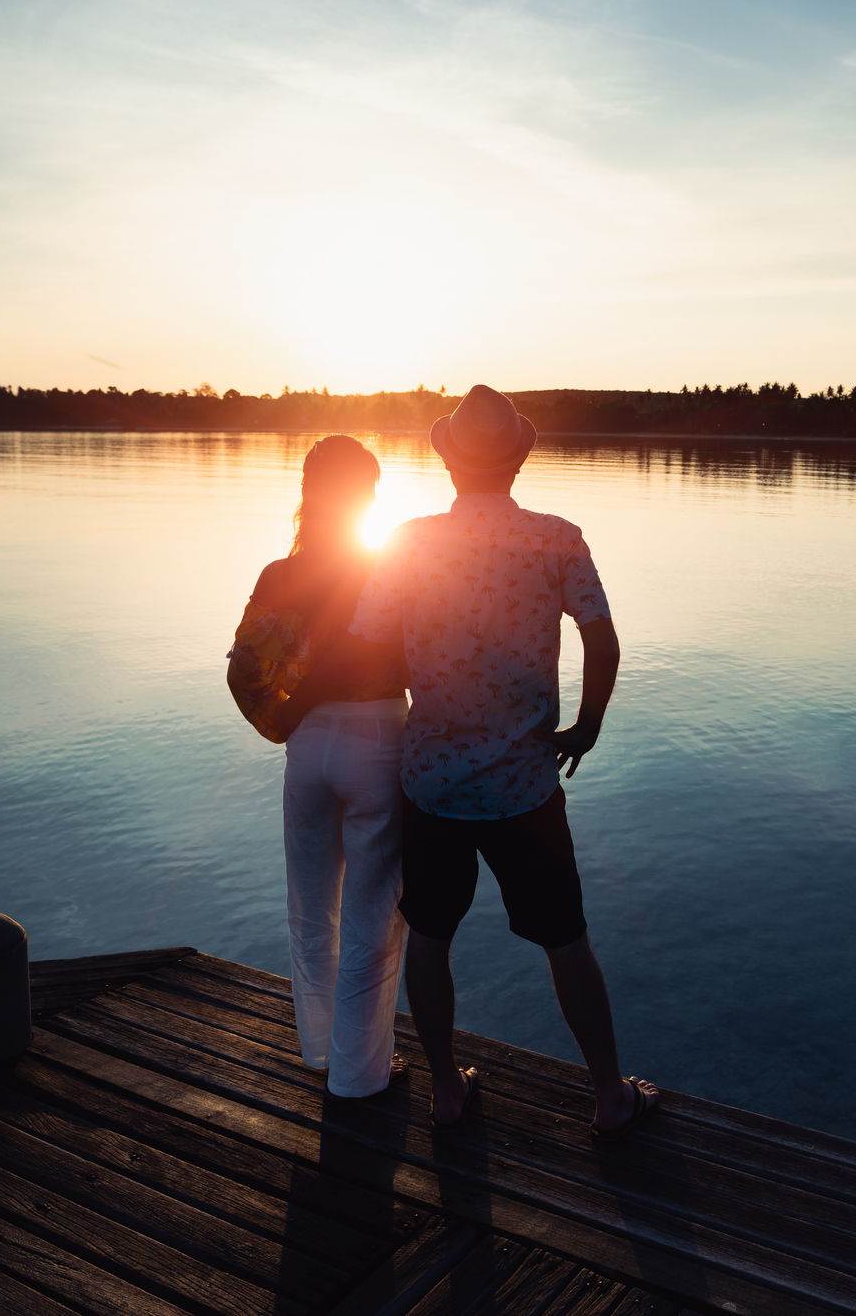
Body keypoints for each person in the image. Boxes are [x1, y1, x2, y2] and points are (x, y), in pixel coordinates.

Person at [278, 385, 660, 1143]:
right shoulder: (558, 537)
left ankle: (447, 1090)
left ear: (447, 459)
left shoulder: (412, 543)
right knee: (566, 940)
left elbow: (369, 640)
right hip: (525, 785)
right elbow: (603, 640)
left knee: (430, 937)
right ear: (519, 455)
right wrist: (586, 725)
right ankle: (609, 1096)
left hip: (432, 783)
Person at [226, 435, 412, 1098]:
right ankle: (361, 1075)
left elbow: (242, 669)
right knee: (373, 914)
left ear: (308, 490)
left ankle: (323, 1054)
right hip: (378, 741)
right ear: (367, 495)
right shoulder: (390, 569)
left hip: (307, 746)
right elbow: (424, 662)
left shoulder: (279, 575)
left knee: (312, 910)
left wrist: (278, 721)